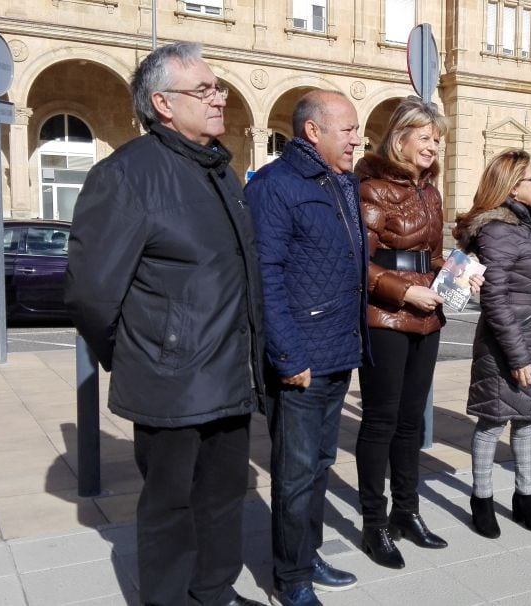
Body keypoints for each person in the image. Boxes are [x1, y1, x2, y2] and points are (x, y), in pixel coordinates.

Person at [64, 42, 267, 606]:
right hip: (170, 381)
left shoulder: (221, 173)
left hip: (229, 374)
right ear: (163, 103)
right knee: (170, 508)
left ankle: (214, 593)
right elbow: (90, 294)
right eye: (204, 90)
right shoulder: (127, 175)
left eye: (218, 85)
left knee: (225, 498)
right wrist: (146, 351)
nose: (220, 97)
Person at [245, 89, 369, 606]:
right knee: (294, 474)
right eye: (347, 129)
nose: (357, 139)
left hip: (339, 350)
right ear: (312, 132)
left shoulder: (342, 182)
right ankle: (290, 579)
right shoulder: (276, 186)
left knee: (319, 465)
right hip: (302, 360)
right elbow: (265, 277)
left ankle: (308, 555)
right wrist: (288, 357)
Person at [353, 98, 455, 569]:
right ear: (401, 137)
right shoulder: (371, 187)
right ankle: (373, 525)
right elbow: (360, 261)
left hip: (428, 314)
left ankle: (406, 513)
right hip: (386, 317)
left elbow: (432, 256)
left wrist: (458, 274)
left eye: (438, 139)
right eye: (427, 137)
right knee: (381, 421)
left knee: (412, 422)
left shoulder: (430, 192)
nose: (434, 145)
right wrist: (403, 293)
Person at [453, 150, 531, 539]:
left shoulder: (524, 224)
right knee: (493, 421)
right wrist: (516, 355)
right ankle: (481, 499)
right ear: (513, 186)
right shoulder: (499, 229)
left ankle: (525, 497)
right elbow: (494, 298)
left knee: (527, 418)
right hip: (507, 342)